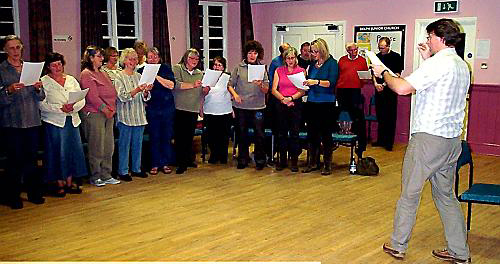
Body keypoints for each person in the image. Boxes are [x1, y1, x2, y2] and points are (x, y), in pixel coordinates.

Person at [372, 18, 471, 264]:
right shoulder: (460, 65)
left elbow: (403, 88)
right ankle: (460, 252)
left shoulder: (439, 64)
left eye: (429, 37)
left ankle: (397, 245)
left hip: (428, 139)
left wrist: (383, 72)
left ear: (440, 37)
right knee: (446, 197)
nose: (427, 41)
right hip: (451, 141)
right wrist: (428, 59)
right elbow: (436, 86)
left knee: (409, 194)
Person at [0, 35, 45, 209]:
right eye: (11, 48)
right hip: (12, 123)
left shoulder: (30, 68)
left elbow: (41, 96)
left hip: (32, 121)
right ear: (5, 50)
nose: (15, 51)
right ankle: (13, 197)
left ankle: (34, 193)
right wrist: (9, 91)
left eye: (18, 47)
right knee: (14, 162)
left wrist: (38, 89)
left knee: (32, 161)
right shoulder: (1, 69)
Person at [39, 52, 88, 196]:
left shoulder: (71, 80)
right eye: (54, 65)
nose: (57, 67)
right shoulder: (44, 81)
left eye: (59, 64)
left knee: (72, 151)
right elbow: (40, 104)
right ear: (48, 67)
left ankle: (69, 181)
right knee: (57, 153)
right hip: (54, 122)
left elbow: (82, 98)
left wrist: (73, 107)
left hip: (72, 121)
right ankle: (59, 183)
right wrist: (59, 109)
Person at [80, 45, 121, 187]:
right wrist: (105, 109)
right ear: (90, 58)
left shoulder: (102, 72)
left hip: (109, 113)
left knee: (108, 146)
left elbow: (112, 91)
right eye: (99, 56)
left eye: (102, 56)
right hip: (95, 113)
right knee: (96, 146)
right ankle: (95, 175)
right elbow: (92, 97)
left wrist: (111, 109)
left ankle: (106, 174)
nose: (102, 59)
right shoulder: (86, 74)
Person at [228, 40, 270, 170]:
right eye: (250, 53)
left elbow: (266, 89)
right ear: (246, 54)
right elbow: (230, 85)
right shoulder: (238, 67)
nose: (252, 55)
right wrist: (235, 95)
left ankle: (260, 160)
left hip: (258, 107)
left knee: (259, 134)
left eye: (255, 53)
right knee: (242, 133)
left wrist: (260, 85)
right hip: (241, 107)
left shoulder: (262, 69)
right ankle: (243, 159)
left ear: (258, 55)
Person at [114, 48, 152, 181]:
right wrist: (137, 89)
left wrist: (146, 92)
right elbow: (122, 97)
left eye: (135, 59)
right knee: (124, 145)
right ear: (124, 60)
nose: (133, 61)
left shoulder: (139, 76)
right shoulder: (118, 76)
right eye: (130, 59)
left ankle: (136, 169)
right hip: (125, 116)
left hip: (139, 116)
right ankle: (123, 171)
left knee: (138, 144)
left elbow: (145, 98)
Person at [302, 38, 339, 175]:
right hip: (312, 102)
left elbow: (331, 83)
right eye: (312, 52)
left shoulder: (332, 64)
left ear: (322, 51)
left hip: (326, 103)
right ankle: (313, 162)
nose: (313, 54)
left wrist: (316, 82)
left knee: (326, 134)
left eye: (315, 51)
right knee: (312, 133)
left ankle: (327, 164)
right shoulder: (311, 65)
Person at [139, 47, 175, 175]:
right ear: (146, 59)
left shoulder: (165, 68)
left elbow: (171, 85)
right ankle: (154, 164)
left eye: (155, 57)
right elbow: (140, 91)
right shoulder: (141, 71)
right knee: (154, 136)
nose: (153, 59)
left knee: (166, 136)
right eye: (150, 57)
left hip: (167, 108)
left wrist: (156, 76)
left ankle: (165, 163)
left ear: (159, 58)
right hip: (152, 109)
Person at [271, 47, 306, 172]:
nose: (290, 60)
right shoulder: (279, 70)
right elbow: (274, 89)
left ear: (296, 58)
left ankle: (294, 161)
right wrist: (283, 99)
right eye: (288, 58)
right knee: (281, 133)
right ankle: (282, 160)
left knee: (294, 133)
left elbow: (302, 90)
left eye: (292, 58)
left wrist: (291, 98)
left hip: (295, 103)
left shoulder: (301, 71)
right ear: (284, 59)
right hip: (281, 103)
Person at [172, 48, 204, 174]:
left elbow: (201, 93)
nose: (194, 61)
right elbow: (176, 85)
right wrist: (192, 85)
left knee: (189, 137)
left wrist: (205, 90)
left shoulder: (199, 73)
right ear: (186, 58)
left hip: (193, 108)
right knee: (180, 138)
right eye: (191, 58)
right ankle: (180, 163)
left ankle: (188, 160)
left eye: (197, 59)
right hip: (179, 108)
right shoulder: (177, 68)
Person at [336, 42, 368, 159]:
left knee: (357, 116)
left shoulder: (362, 60)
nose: (354, 52)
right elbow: (338, 75)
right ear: (347, 50)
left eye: (355, 50)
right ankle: (338, 138)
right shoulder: (342, 60)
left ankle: (359, 143)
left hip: (355, 90)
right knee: (340, 112)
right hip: (342, 90)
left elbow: (364, 76)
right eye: (351, 50)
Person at [372, 37, 403, 151]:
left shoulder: (396, 57)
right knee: (380, 115)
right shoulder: (377, 57)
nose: (381, 50)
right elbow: (373, 73)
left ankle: (388, 143)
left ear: (388, 46)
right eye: (379, 47)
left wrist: (384, 85)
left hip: (390, 90)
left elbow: (397, 74)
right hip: (378, 89)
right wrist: (376, 84)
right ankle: (380, 140)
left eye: (383, 48)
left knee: (390, 116)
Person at [202, 56, 233, 164]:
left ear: (223, 67)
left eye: (219, 65)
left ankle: (223, 155)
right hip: (210, 110)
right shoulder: (206, 76)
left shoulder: (227, 77)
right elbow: (201, 94)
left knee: (224, 135)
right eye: (215, 64)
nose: (217, 67)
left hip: (225, 110)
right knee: (211, 135)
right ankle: (214, 155)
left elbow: (232, 92)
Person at [266, 42, 290, 165]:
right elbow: (271, 82)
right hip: (276, 98)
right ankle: (274, 155)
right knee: (277, 129)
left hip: (290, 99)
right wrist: (279, 97)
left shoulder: (293, 64)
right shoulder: (276, 62)